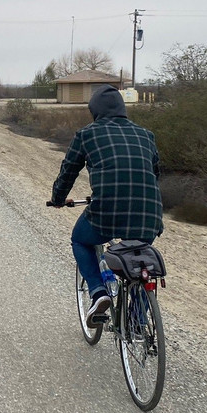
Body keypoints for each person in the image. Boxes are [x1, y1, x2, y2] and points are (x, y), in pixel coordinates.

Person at [49, 84, 163, 327]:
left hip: (107, 212)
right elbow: (154, 173)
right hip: (149, 213)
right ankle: (138, 321)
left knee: (80, 240)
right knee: (140, 259)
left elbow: (68, 171)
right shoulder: (146, 134)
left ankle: (98, 292)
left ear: (95, 111)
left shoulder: (87, 134)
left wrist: (58, 199)